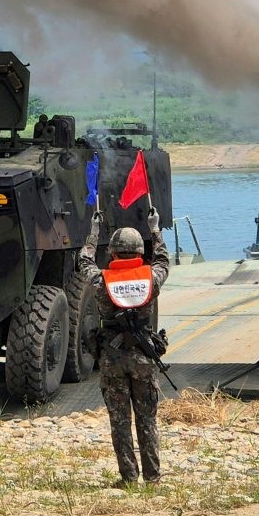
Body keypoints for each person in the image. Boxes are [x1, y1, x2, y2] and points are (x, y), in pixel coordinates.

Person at [78, 207, 170, 487]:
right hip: (143, 358)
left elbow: (84, 261)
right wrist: (155, 228)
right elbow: (164, 261)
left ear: (113, 253)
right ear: (141, 253)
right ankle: (153, 478)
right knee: (147, 419)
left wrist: (94, 233)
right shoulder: (150, 279)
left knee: (120, 421)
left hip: (112, 359)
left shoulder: (101, 281)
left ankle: (129, 478)